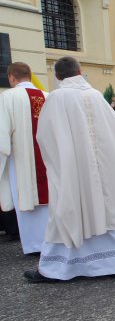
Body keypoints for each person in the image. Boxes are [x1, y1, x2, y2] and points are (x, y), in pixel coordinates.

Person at [24, 56, 115, 283]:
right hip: (101, 171)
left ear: (57, 76)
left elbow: (45, 137)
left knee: (68, 211)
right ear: (80, 71)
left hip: (73, 171)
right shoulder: (94, 95)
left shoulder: (56, 98)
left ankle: (56, 268)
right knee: (111, 210)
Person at [0, 62, 49, 254]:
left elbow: (2, 134)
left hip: (19, 161)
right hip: (47, 160)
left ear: (12, 77)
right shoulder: (47, 96)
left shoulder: (7, 97)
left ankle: (34, 245)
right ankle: (52, 240)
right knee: (49, 198)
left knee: (25, 197)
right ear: (30, 75)